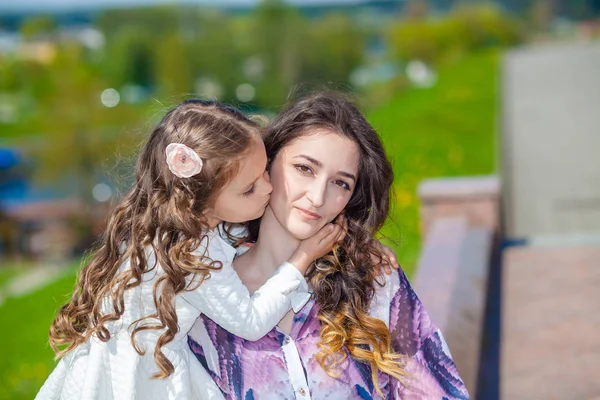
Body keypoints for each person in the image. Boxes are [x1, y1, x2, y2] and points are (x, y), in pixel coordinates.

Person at [35, 99, 346, 400]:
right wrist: (301, 259)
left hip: (106, 364)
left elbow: (233, 232)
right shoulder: (196, 253)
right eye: (249, 188)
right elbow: (250, 322)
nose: (267, 188)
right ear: (202, 198)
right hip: (148, 381)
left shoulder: (162, 227)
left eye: (264, 171)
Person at [188, 92, 470, 399]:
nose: (318, 197)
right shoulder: (204, 295)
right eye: (305, 169)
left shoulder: (373, 280)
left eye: (341, 183)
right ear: (265, 164)